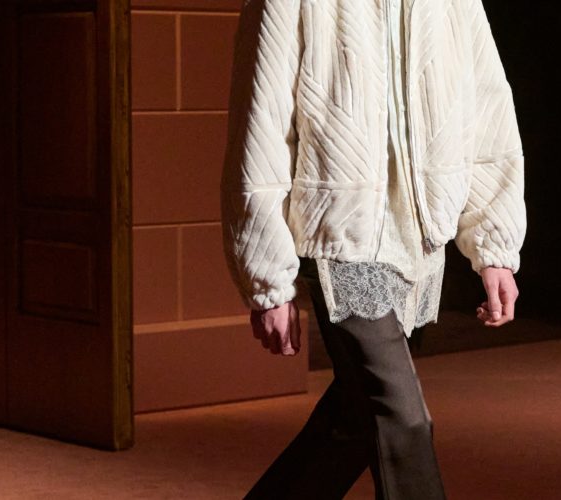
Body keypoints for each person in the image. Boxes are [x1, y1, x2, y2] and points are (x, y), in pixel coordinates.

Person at [220, 0, 526, 498]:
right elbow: (262, 125)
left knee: (353, 420)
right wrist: (267, 277)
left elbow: (487, 105)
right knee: (403, 422)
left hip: (419, 239)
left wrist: (493, 244)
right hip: (339, 236)